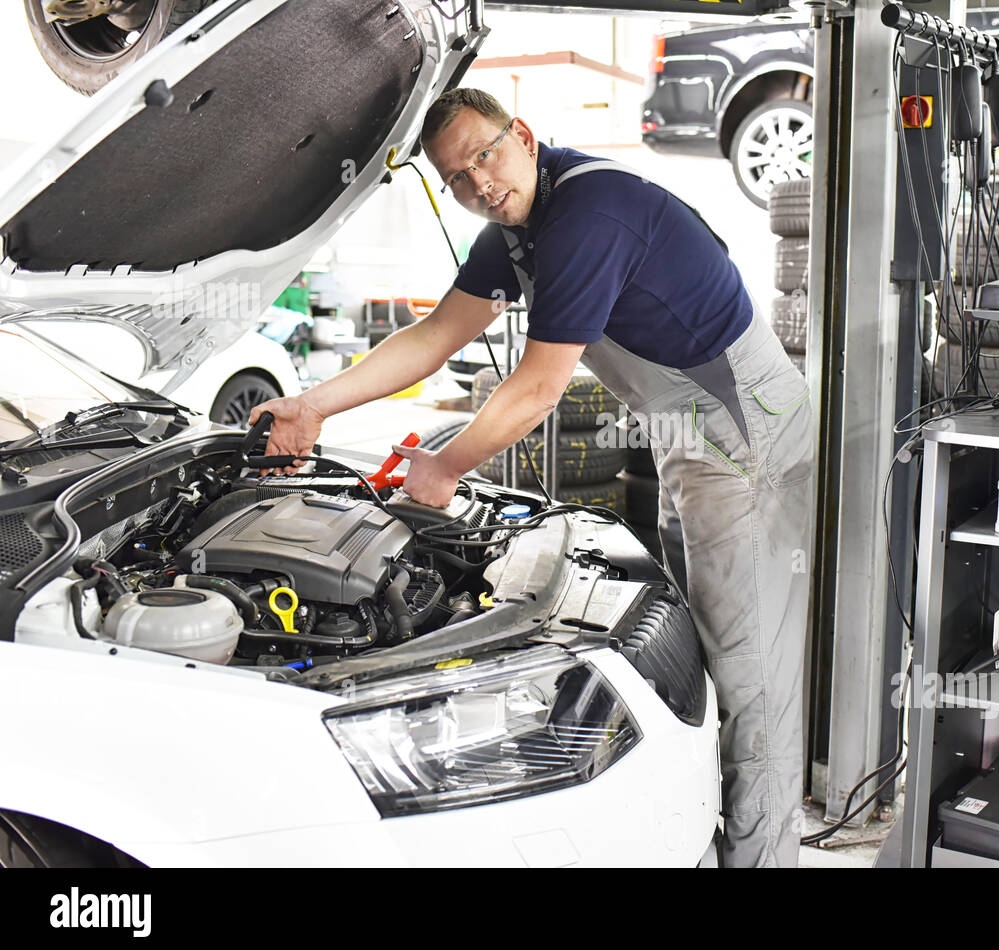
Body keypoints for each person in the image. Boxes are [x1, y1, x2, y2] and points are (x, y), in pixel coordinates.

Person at [249, 88, 814, 867]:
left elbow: (540, 386)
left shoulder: (588, 216)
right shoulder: (519, 227)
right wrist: (313, 405)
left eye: (485, 154)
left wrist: (446, 465)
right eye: (456, 177)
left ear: (523, 135)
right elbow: (436, 336)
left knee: (753, 682)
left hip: (747, 443)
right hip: (688, 442)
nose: (478, 182)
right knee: (708, 657)